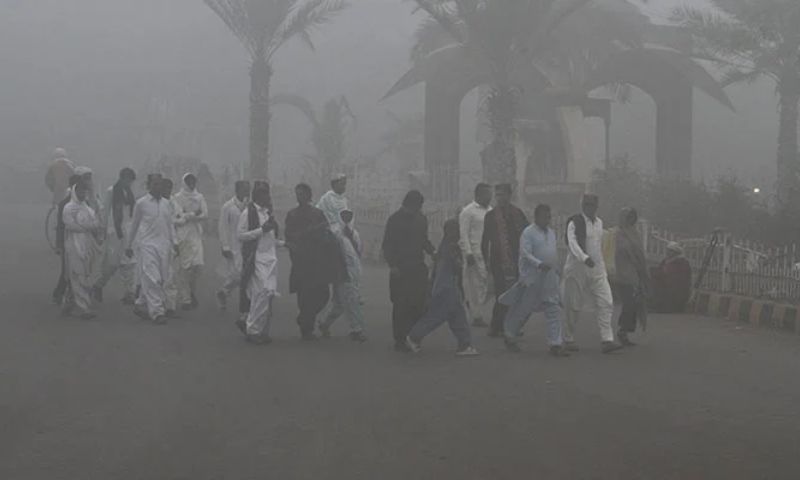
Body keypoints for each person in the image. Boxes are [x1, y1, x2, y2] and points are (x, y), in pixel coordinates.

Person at [500, 204, 570, 356]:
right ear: (536, 217)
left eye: (549, 217)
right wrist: (539, 264)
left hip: (549, 278)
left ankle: (555, 344)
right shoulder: (528, 233)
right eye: (545, 216)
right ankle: (510, 335)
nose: (548, 220)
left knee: (553, 308)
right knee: (523, 310)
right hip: (532, 278)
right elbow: (525, 253)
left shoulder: (551, 233)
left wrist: (556, 270)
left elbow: (553, 252)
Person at [405, 219, 480, 356]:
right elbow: (455, 268)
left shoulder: (445, 246)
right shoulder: (451, 248)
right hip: (447, 288)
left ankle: (465, 344)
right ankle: (414, 336)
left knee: (457, 316)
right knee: (437, 316)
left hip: (447, 287)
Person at [562, 194, 623, 354]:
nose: (589, 207)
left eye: (592, 205)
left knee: (606, 301)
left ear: (596, 206)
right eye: (587, 204)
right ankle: (568, 338)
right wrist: (584, 257)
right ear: (582, 205)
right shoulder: (574, 222)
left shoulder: (599, 223)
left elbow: (599, 246)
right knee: (573, 306)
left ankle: (607, 339)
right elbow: (572, 242)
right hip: (577, 268)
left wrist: (602, 266)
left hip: (597, 269)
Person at [285, 183, 345, 341]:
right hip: (301, 262)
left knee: (323, 294)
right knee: (304, 297)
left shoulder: (318, 214)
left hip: (317, 261)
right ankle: (307, 329)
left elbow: (326, 235)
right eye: (297, 193)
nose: (299, 196)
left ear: (309, 195)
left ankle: (305, 318)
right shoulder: (292, 215)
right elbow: (290, 237)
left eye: (302, 193)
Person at [382, 190, 436, 352]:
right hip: (400, 269)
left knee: (419, 304)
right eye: (417, 206)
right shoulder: (394, 220)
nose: (419, 209)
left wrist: (433, 252)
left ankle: (412, 335)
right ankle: (399, 339)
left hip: (417, 267)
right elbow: (387, 245)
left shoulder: (421, 219)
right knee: (400, 305)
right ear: (409, 204)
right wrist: (392, 265)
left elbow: (424, 240)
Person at [126, 174, 176, 325]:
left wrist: (175, 242)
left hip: (164, 245)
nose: (158, 187)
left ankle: (141, 303)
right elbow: (134, 225)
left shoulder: (167, 204)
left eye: (160, 184)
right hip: (147, 245)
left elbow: (170, 224)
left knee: (161, 278)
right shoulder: (141, 203)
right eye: (155, 184)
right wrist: (128, 245)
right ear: (149, 185)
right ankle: (157, 312)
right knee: (152, 277)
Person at [481, 184, 529, 337]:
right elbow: (485, 240)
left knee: (515, 293)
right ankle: (496, 326)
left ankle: (509, 325)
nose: (500, 198)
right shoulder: (490, 216)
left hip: (516, 259)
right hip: (498, 260)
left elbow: (527, 234)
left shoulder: (518, 213)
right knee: (501, 293)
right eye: (498, 195)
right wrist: (485, 260)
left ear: (509, 195)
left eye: (502, 195)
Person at [237, 181, 280, 344]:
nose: (265, 196)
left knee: (267, 294)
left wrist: (283, 243)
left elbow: (270, 238)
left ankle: (260, 329)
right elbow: (240, 236)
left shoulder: (267, 213)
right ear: (256, 195)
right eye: (261, 193)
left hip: (270, 259)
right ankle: (252, 329)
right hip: (256, 259)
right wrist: (262, 230)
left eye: (266, 192)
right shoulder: (248, 213)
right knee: (260, 293)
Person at [318, 209, 367, 342]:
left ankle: (324, 323)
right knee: (351, 301)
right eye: (343, 215)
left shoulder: (354, 233)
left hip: (354, 271)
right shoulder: (333, 232)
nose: (346, 217)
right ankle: (356, 329)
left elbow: (358, 252)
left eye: (349, 215)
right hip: (342, 272)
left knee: (340, 304)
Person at [93, 168, 137, 304]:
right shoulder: (111, 191)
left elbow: (131, 213)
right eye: (127, 179)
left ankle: (130, 292)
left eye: (131, 180)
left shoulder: (129, 193)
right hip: (114, 231)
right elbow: (105, 212)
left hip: (127, 231)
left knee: (129, 263)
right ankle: (98, 285)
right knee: (112, 264)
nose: (129, 182)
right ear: (122, 178)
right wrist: (102, 231)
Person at [62, 180, 102, 319]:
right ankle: (84, 308)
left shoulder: (88, 209)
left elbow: (96, 223)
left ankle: (70, 301)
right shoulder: (68, 208)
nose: (82, 194)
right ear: (74, 191)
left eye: (84, 191)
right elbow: (70, 225)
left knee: (86, 274)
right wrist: (87, 226)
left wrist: (87, 226)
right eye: (79, 191)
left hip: (88, 244)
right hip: (74, 244)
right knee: (78, 274)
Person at [614, 207, 650, 346]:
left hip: (636, 274)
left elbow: (640, 252)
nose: (631, 220)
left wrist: (641, 267)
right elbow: (623, 249)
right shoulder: (620, 233)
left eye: (632, 218)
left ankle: (625, 331)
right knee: (629, 303)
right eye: (629, 217)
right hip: (624, 273)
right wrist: (633, 255)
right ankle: (622, 330)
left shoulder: (635, 233)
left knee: (635, 303)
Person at [173, 173, 208, 310]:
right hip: (183, 234)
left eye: (193, 181)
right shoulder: (177, 197)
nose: (191, 184)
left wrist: (187, 215)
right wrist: (193, 214)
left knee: (197, 266)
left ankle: (191, 291)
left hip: (195, 234)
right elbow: (178, 216)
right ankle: (185, 298)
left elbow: (205, 214)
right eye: (189, 181)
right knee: (185, 267)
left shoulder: (199, 197)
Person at [459, 183, 493, 327]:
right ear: (478, 195)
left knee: (487, 283)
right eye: (487, 194)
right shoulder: (468, 211)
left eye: (490, 194)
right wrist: (468, 253)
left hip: (488, 252)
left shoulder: (491, 211)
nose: (490, 197)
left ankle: (472, 305)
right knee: (475, 284)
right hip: (474, 252)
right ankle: (477, 315)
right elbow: (463, 234)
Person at [216, 180, 250, 311]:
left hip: (247, 244)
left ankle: (225, 292)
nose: (247, 191)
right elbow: (222, 227)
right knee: (236, 273)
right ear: (237, 190)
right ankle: (224, 292)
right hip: (233, 244)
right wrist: (225, 246)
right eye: (245, 189)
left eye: (248, 189)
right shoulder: (228, 206)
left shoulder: (249, 206)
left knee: (244, 273)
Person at [52, 174, 82, 305]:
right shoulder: (65, 203)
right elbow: (60, 226)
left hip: (81, 241)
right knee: (67, 270)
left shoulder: (83, 202)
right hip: (68, 241)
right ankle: (59, 293)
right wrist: (59, 244)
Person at [652, 242, 692, 313]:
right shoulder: (666, 261)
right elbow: (660, 270)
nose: (668, 252)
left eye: (670, 251)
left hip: (675, 289)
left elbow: (681, 278)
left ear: (675, 252)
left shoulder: (682, 262)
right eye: (668, 250)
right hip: (665, 285)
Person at [161, 178, 181, 318]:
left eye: (170, 188)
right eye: (165, 188)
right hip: (152, 244)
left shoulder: (172, 203)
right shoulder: (150, 203)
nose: (168, 191)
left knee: (169, 275)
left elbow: (173, 223)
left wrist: (175, 242)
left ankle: (170, 305)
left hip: (168, 243)